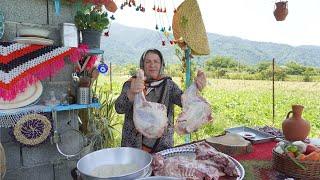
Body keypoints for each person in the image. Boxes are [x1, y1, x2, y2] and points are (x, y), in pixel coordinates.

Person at [115, 48, 206, 153]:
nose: (152, 65)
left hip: (161, 147)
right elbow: (119, 108)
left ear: (161, 64)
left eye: (156, 61)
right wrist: (131, 92)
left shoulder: (169, 85)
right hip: (133, 147)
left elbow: (185, 102)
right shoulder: (132, 83)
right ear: (142, 65)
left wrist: (195, 88)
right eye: (148, 61)